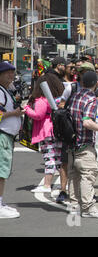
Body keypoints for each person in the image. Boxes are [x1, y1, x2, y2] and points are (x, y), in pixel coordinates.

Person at [67, 70, 98, 218]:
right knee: (88, 175)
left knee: (74, 176)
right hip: (84, 142)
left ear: (82, 82)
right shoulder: (91, 99)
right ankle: (88, 208)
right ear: (95, 83)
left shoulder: (75, 95)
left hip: (71, 143)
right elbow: (87, 122)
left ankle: (74, 206)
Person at [24, 74, 65, 194]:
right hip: (57, 130)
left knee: (49, 158)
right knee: (58, 159)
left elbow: (38, 115)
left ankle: (46, 185)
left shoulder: (41, 100)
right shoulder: (59, 99)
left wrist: (26, 109)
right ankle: (63, 185)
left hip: (46, 132)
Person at [0, 62, 24, 218]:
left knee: (3, 171)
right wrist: (15, 113)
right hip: (2, 136)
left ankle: (1, 202)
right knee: (1, 172)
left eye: (12, 72)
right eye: (7, 72)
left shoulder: (5, 90)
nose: (11, 75)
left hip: (7, 136)